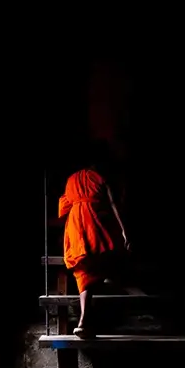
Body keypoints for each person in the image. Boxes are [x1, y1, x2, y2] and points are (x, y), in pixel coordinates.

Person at [58, 142, 130, 336]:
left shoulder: (71, 179)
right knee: (107, 248)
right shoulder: (99, 177)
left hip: (74, 222)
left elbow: (63, 208)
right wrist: (125, 231)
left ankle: (84, 321)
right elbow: (114, 203)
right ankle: (108, 279)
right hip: (92, 220)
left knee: (83, 271)